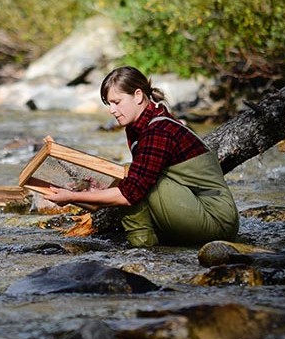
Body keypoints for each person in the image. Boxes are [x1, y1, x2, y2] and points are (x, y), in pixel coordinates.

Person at [44, 66, 239, 247]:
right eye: (109, 104)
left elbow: (130, 195)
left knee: (129, 175)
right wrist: (77, 197)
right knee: (129, 174)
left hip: (216, 221)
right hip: (194, 210)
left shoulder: (158, 131)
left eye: (117, 102)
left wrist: (73, 195)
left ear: (138, 95)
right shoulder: (140, 126)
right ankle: (144, 244)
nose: (112, 110)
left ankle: (142, 247)